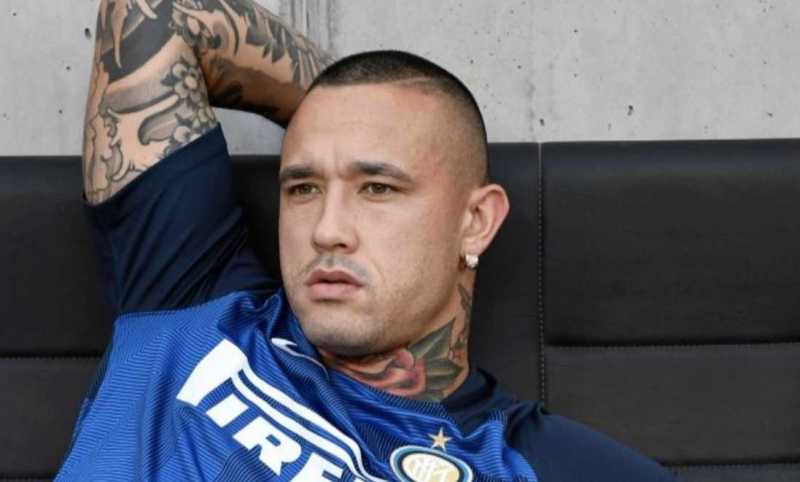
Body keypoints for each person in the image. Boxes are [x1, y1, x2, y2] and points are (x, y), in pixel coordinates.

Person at [58, 0, 677, 480]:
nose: (327, 229)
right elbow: (158, 16)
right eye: (302, 188)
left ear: (476, 221)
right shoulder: (191, 298)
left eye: (377, 188)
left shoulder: (530, 462)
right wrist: (352, 105)